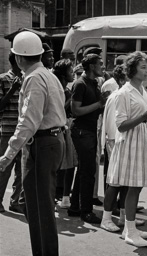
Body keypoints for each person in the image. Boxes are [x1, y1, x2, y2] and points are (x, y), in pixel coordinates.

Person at [0, 31, 66, 256]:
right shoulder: (48, 75)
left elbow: (29, 120)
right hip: (51, 140)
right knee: (40, 206)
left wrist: (9, 154)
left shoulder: (33, 78)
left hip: (41, 143)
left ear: (18, 58)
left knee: (40, 208)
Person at [107, 51, 147, 247]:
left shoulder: (141, 90)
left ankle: (130, 227)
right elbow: (121, 125)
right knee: (132, 187)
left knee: (137, 186)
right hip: (131, 141)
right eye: (143, 67)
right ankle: (130, 230)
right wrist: (145, 116)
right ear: (132, 69)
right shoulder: (123, 93)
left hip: (142, 139)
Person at [67, 54, 109, 223]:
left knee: (84, 170)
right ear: (91, 66)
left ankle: (74, 207)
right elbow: (75, 111)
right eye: (100, 64)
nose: (103, 67)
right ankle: (86, 211)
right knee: (88, 171)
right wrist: (99, 104)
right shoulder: (80, 84)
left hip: (90, 130)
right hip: (82, 132)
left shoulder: (94, 83)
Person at [100, 64, 135, 232]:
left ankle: (123, 215)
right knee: (115, 181)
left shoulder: (128, 94)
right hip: (116, 141)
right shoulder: (118, 96)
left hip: (123, 141)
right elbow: (114, 125)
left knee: (125, 181)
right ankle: (106, 218)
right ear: (122, 80)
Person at [52, 59, 78, 209]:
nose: (73, 74)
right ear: (63, 74)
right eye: (70, 71)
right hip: (57, 130)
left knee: (68, 164)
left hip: (66, 128)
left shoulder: (66, 90)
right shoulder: (57, 90)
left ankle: (63, 195)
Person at [0, 52, 23, 213]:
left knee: (22, 170)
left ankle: (15, 202)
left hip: (24, 132)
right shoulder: (3, 79)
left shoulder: (27, 78)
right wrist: (13, 89)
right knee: (4, 168)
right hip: (7, 131)